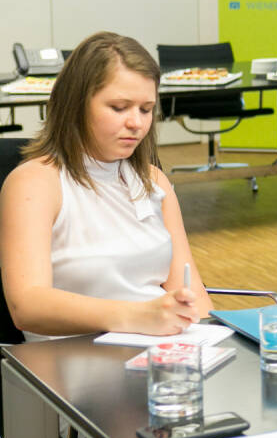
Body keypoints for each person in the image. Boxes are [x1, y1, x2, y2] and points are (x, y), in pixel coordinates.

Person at [0, 32, 212, 341]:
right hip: (72, 362)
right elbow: (28, 306)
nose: (136, 123)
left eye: (145, 109)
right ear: (76, 105)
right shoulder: (36, 182)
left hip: (160, 350)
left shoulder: (153, 180)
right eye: (119, 107)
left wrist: (211, 339)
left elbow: (192, 293)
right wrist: (140, 316)